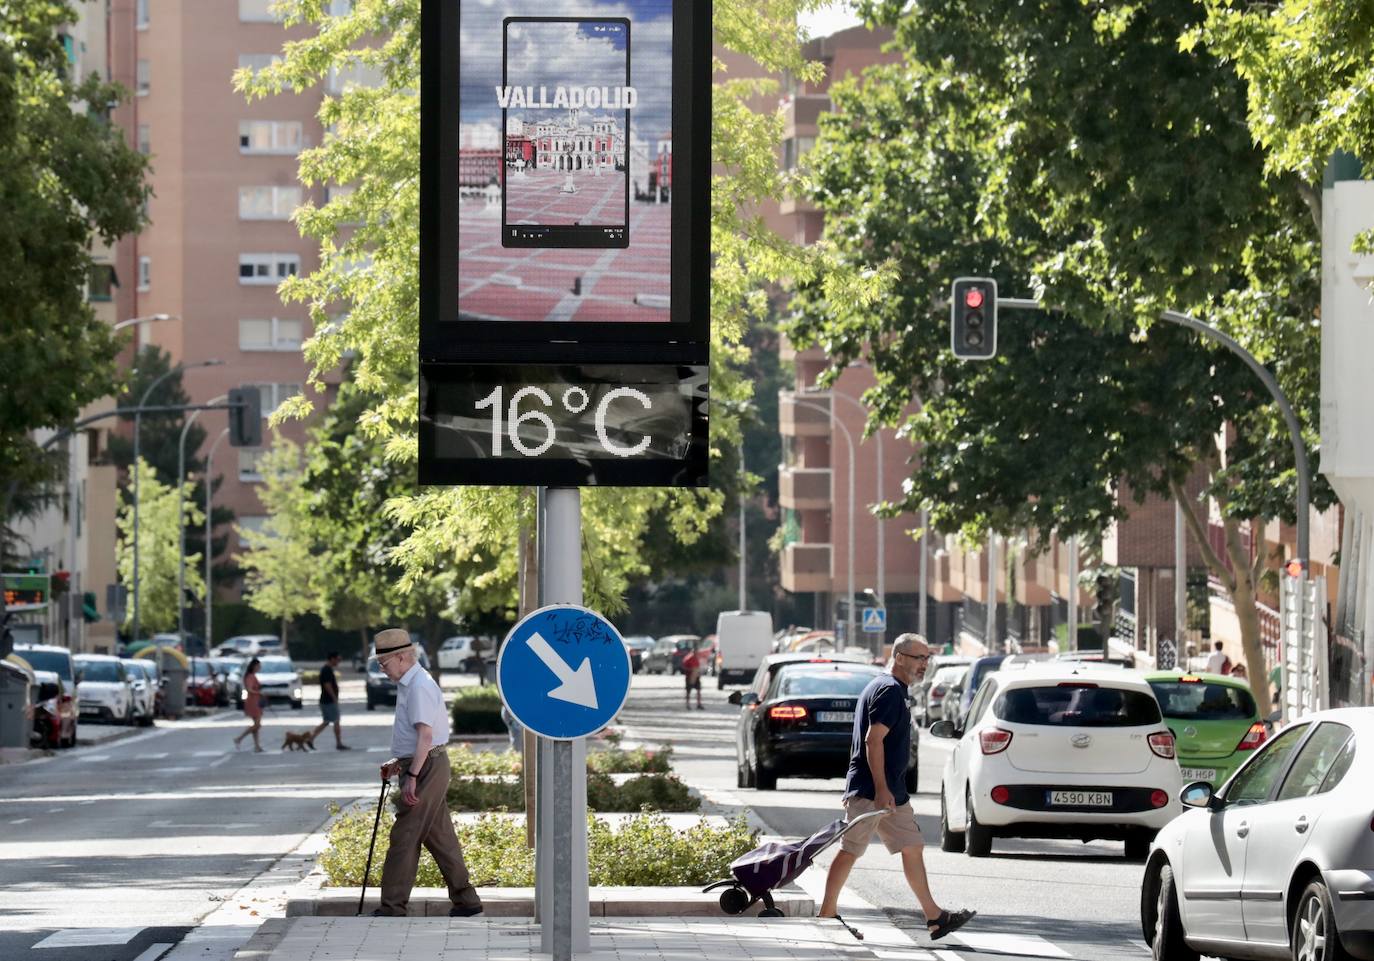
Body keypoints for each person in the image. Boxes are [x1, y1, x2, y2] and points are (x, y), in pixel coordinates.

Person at [819, 633, 975, 941]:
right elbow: (872, 740)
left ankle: (935, 918)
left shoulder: (891, 689)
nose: (924, 665)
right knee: (850, 851)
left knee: (912, 846)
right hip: (872, 791)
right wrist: (880, 789)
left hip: (891, 792)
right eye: (919, 658)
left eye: (927, 659)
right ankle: (826, 913)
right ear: (899, 657)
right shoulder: (889, 690)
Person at [372, 628, 483, 918]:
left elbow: (425, 736)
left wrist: (411, 776)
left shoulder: (419, 685)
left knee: (405, 835)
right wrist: (400, 762)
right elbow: (416, 737)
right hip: (425, 764)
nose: (381, 670)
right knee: (440, 837)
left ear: (401, 657)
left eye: (383, 664)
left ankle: (392, 907)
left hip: (426, 767)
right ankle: (467, 900)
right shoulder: (411, 683)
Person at [312, 652, 350, 750]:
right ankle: (338, 743)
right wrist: (334, 698)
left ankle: (310, 738)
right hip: (328, 701)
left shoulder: (327, 669)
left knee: (327, 721)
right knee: (335, 720)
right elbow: (327, 685)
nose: (338, 662)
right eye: (337, 660)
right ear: (332, 659)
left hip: (326, 700)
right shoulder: (326, 670)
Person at [233, 658, 263, 752]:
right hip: (253, 701)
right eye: (258, 666)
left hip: (256, 700)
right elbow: (249, 689)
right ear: (254, 666)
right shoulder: (250, 676)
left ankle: (257, 746)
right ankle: (239, 738)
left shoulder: (253, 676)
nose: (259, 668)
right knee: (257, 724)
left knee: (256, 725)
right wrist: (258, 693)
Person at [681, 644, 704, 710]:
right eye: (695, 651)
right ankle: (687, 705)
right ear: (692, 651)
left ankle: (699, 704)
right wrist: (690, 670)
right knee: (688, 691)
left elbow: (697, 667)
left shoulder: (696, 658)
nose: (696, 653)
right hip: (689, 676)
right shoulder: (688, 658)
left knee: (699, 690)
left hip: (696, 676)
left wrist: (698, 672)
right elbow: (683, 667)